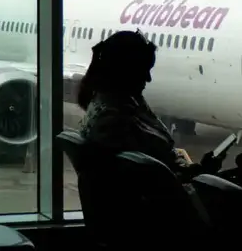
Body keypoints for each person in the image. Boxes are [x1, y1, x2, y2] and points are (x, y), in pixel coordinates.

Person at [77, 29, 223, 179]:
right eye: (142, 71)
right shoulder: (117, 122)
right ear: (123, 71)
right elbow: (160, 179)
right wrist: (202, 173)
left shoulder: (107, 105)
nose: (148, 78)